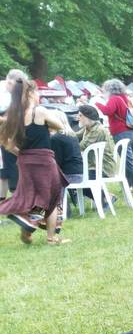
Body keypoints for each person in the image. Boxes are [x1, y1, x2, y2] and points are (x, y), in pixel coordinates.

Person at [0, 78, 68, 244]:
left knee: (31, 195)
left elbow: (7, 144)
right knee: (52, 196)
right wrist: (48, 128)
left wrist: (22, 154)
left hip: (25, 161)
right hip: (44, 160)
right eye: (37, 91)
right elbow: (60, 126)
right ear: (30, 93)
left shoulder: (13, 116)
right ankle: (48, 236)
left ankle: (27, 227)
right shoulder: (40, 111)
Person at [96, 79, 133, 195]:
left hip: (122, 133)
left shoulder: (114, 99)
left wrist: (97, 103)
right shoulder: (123, 98)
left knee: (128, 161)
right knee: (128, 161)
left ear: (109, 89)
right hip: (132, 132)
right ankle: (129, 185)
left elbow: (108, 111)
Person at [1, 69, 29, 200]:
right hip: (7, 133)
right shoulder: (4, 93)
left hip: (12, 132)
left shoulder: (20, 95)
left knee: (12, 165)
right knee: (6, 168)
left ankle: (17, 198)